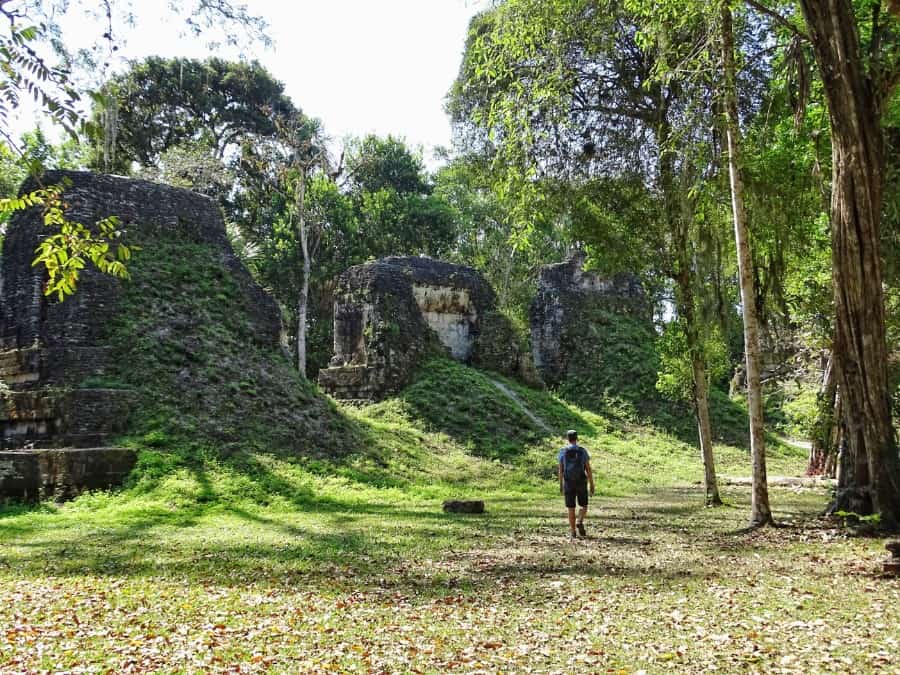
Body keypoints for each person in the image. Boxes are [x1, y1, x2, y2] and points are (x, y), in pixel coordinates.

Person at [558, 429, 595, 539]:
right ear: (577, 438)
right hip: (581, 482)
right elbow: (588, 468)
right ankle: (579, 521)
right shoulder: (582, 451)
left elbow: (561, 470)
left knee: (571, 508)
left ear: (567, 439)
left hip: (568, 482)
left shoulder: (563, 451)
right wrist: (592, 484)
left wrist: (561, 484)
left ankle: (573, 532)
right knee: (584, 505)